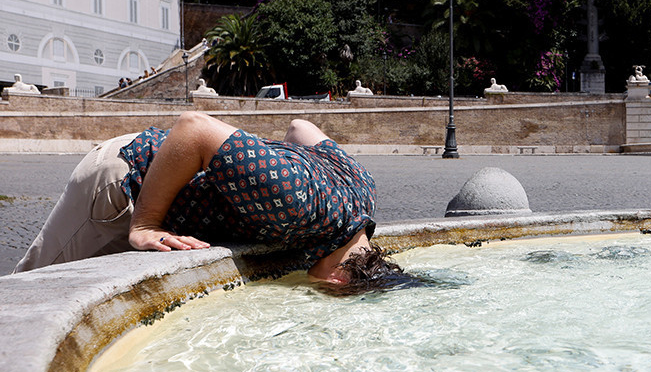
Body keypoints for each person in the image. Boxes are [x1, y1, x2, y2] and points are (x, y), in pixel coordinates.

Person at [14, 112, 404, 293]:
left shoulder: (362, 191)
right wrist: (145, 224)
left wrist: (257, 164)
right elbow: (195, 127)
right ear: (338, 278)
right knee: (30, 295)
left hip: (158, 180)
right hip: (121, 179)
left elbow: (300, 128)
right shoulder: (296, 204)